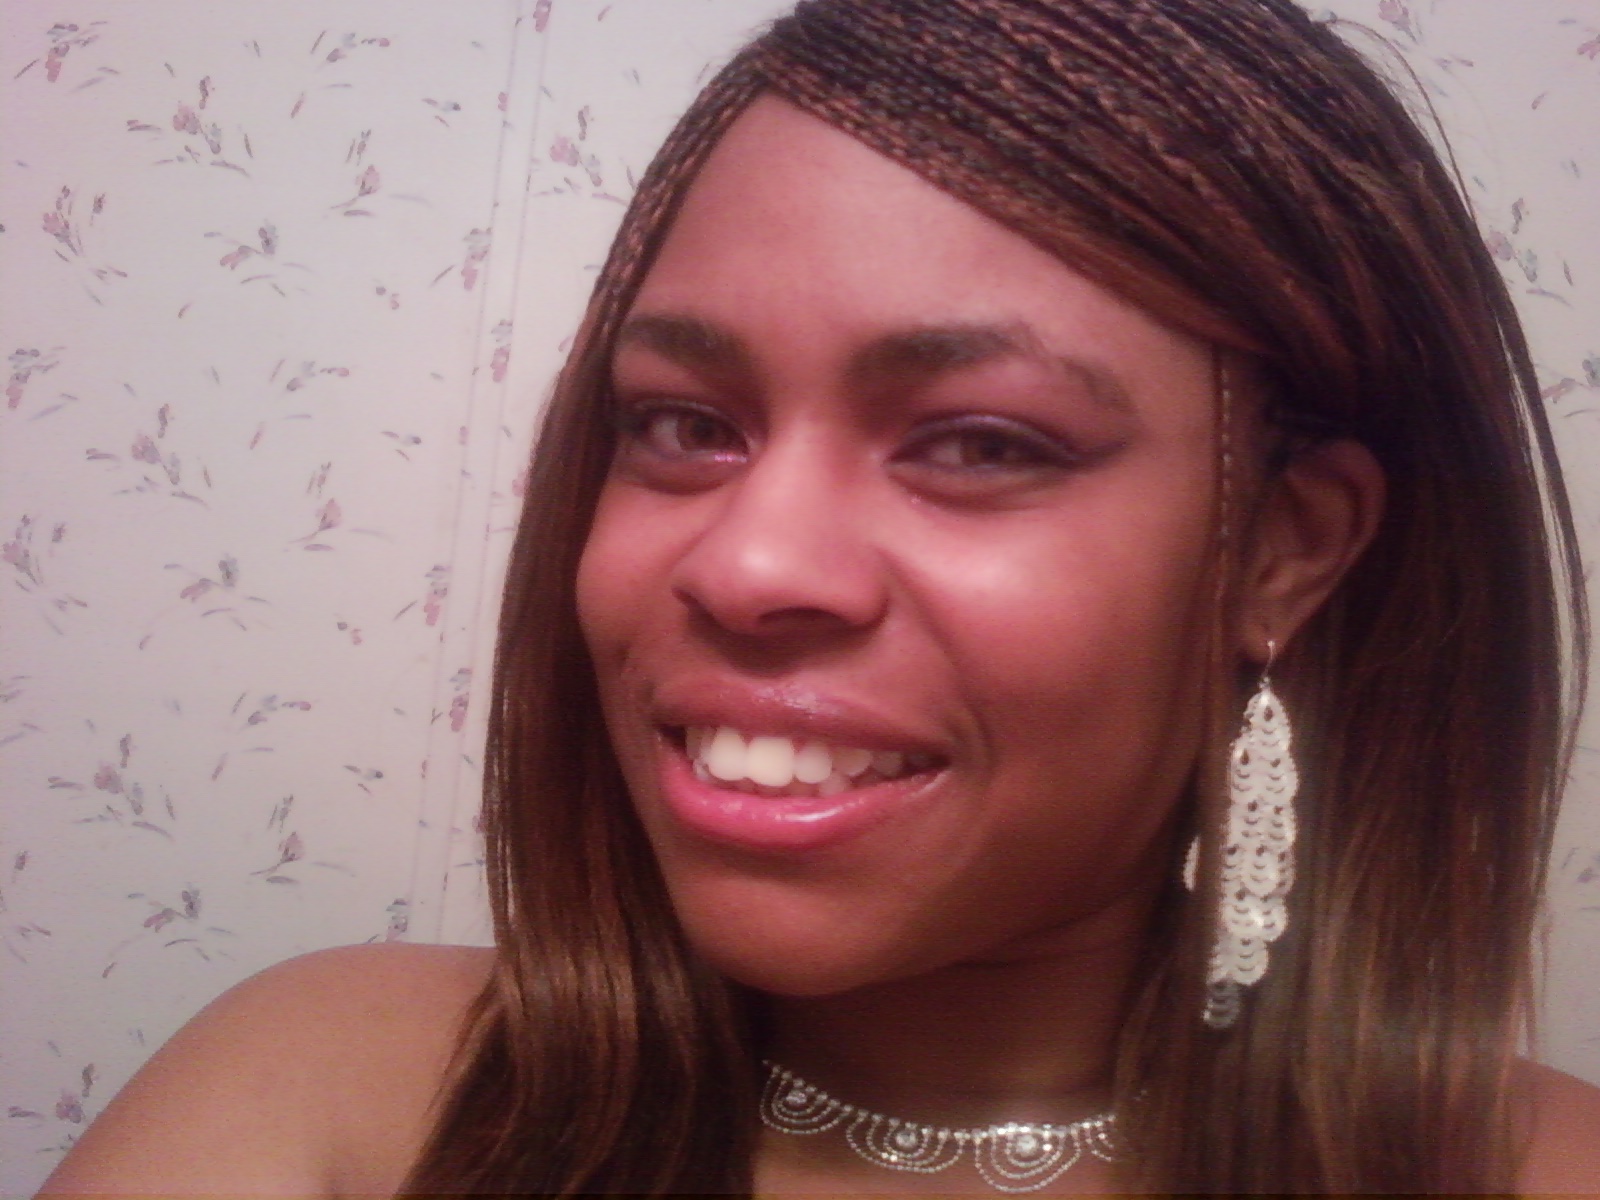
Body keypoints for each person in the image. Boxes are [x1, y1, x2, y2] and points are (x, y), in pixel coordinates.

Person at [38, 0, 1600, 1195]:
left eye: (979, 443)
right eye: (684, 426)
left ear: (1284, 552)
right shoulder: (336, 1100)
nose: (746, 563)